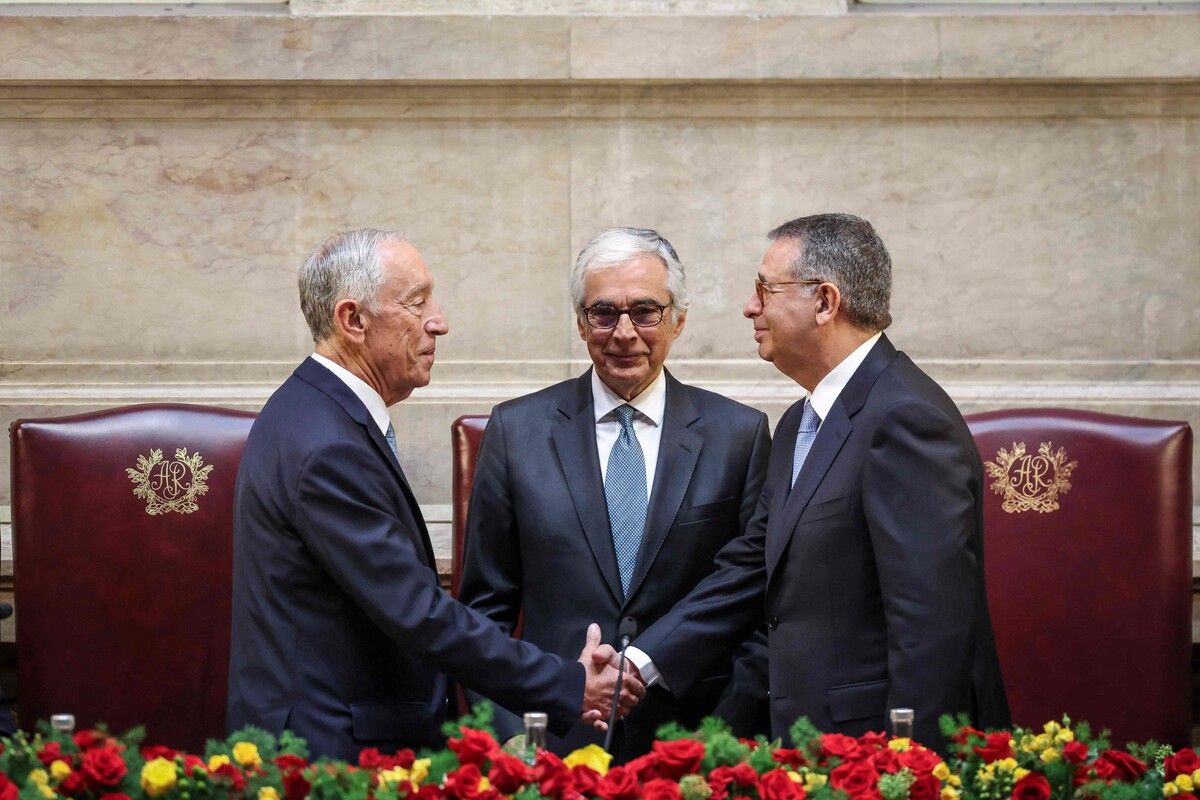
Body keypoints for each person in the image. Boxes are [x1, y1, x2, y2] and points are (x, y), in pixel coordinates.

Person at [227, 228, 642, 761]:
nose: (438, 321)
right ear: (353, 320)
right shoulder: (326, 444)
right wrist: (563, 683)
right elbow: (418, 612)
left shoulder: (316, 415)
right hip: (328, 751)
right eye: (417, 302)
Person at [624, 214, 1010, 748]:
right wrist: (639, 663)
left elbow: (932, 631)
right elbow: (751, 566)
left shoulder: (904, 419)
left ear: (825, 302)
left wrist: (913, 769)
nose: (750, 306)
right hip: (811, 743)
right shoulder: (799, 422)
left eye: (765, 288)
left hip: (879, 753)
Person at [458, 227, 772, 759]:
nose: (624, 332)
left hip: (694, 748)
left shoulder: (738, 435)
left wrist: (717, 740)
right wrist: (513, 735)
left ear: (679, 318)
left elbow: (758, 609)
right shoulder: (517, 432)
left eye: (646, 311)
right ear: (581, 324)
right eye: (604, 313)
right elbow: (482, 610)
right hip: (551, 747)